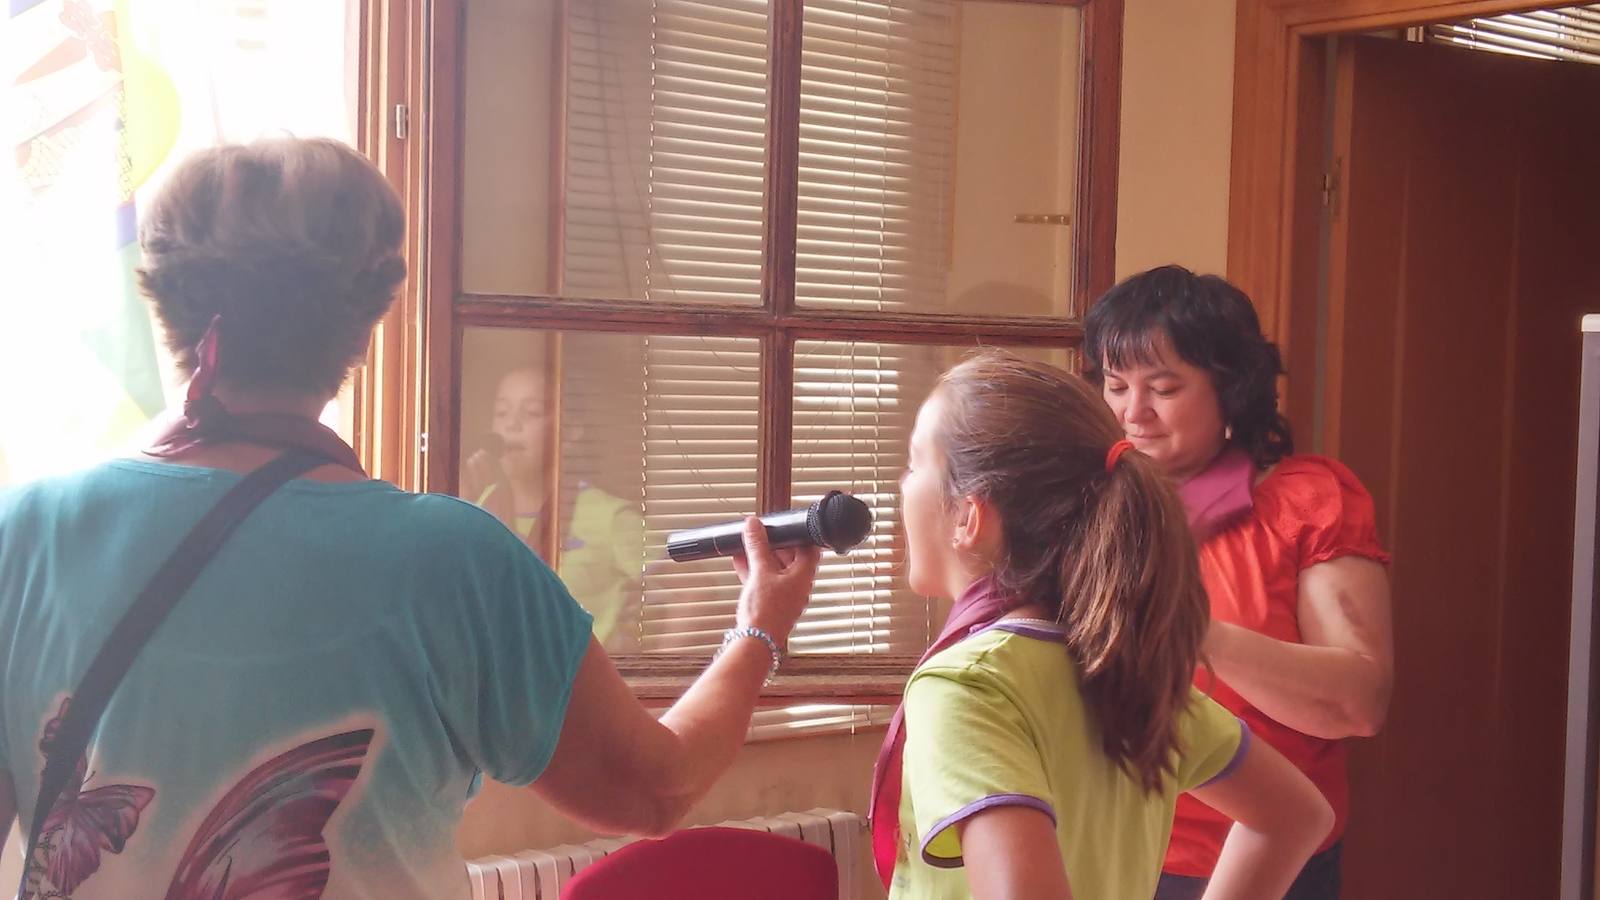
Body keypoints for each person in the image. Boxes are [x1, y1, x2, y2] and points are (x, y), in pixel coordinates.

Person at [0, 137, 820, 899]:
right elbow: (654, 787)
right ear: (366, 318)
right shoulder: (454, 560)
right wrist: (759, 629)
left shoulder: (24, 534)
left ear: (166, 302)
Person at [871, 350, 1334, 900]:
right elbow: (1296, 817)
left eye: (914, 463)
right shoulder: (1122, 667)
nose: (901, 486)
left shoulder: (967, 687)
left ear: (969, 516)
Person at [1084, 265, 1394, 900]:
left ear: (1231, 388)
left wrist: (1194, 629)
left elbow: (1359, 703)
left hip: (1265, 859)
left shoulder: (1303, 502)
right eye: (1116, 386)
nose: (1132, 412)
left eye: (1164, 389)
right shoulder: (1089, 501)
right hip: (1107, 844)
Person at [462, 365, 646, 649]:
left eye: (532, 413)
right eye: (502, 413)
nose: (512, 425)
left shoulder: (609, 516)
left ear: (571, 432)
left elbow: (691, 594)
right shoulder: (477, 508)